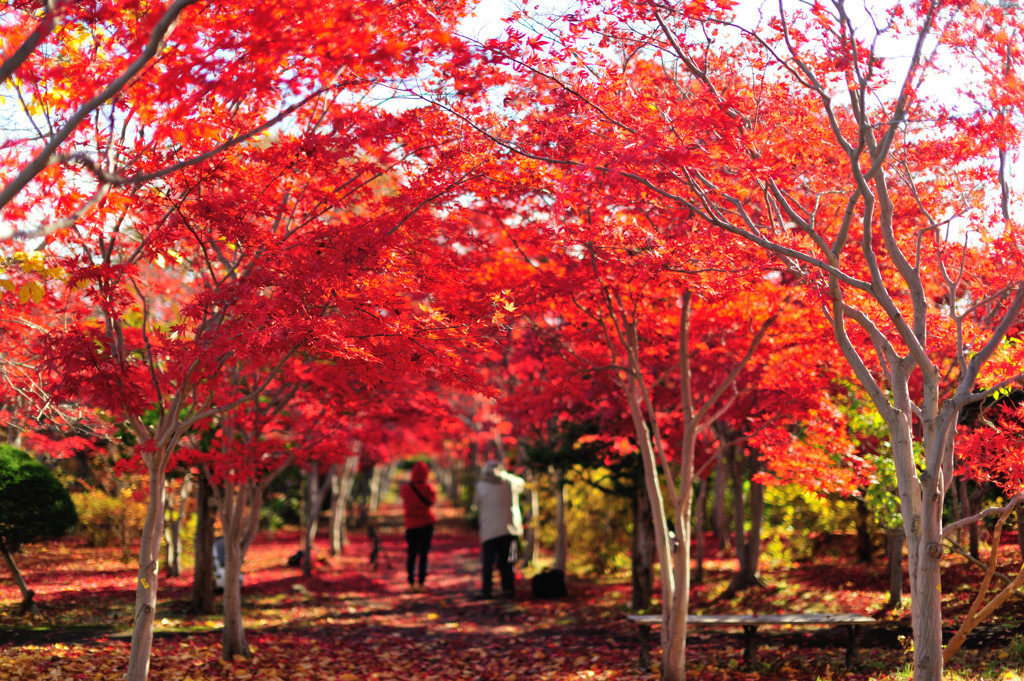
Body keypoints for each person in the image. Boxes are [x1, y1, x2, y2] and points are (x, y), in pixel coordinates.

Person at [473, 460, 526, 599]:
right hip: (510, 528)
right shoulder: (510, 482)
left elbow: (475, 504)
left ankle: (487, 589)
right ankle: (508, 588)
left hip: (489, 529)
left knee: (488, 561)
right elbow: (522, 484)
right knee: (508, 561)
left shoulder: (481, 486)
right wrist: (506, 474)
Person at [399, 460, 436, 591]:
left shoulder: (405, 488)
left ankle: (410, 582)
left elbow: (404, 499)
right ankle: (421, 582)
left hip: (411, 525)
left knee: (412, 553)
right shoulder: (428, 488)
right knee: (424, 554)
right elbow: (432, 501)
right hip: (426, 524)